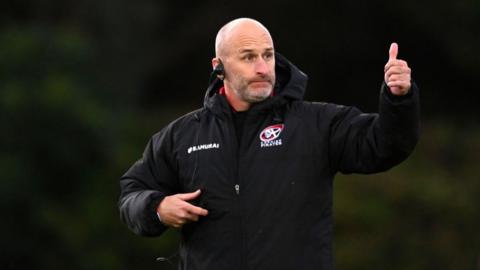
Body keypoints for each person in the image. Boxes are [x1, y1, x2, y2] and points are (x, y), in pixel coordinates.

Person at [119, 18, 420, 270]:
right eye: (248, 57)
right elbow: (132, 192)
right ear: (218, 66)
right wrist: (157, 207)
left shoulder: (316, 124)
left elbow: (385, 145)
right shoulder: (183, 135)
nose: (263, 68)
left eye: (268, 55)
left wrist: (398, 99)